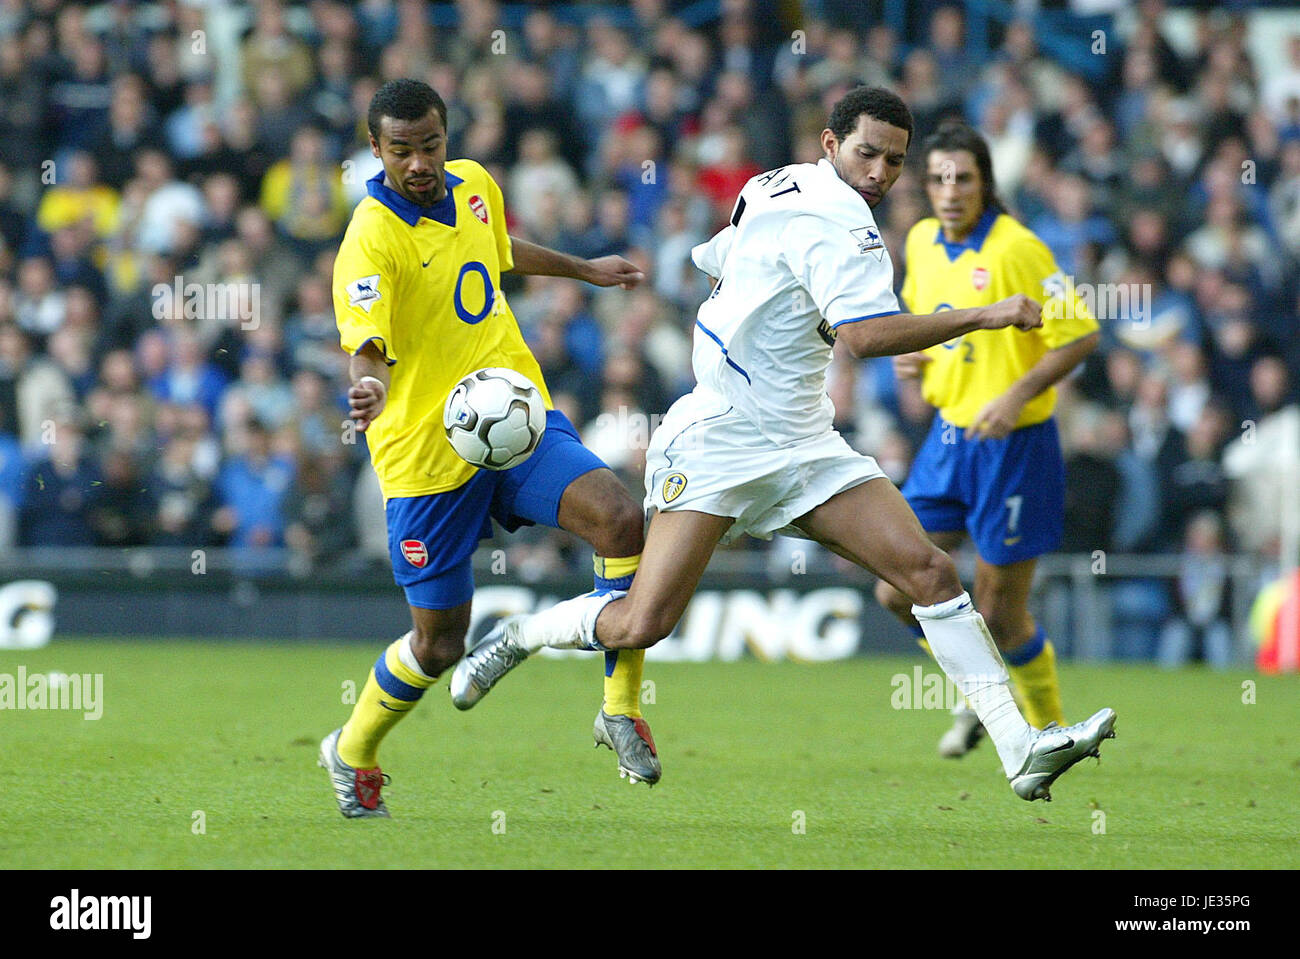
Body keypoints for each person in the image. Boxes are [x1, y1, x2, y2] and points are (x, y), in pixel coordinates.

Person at [451, 87, 1116, 803]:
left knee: (928, 571)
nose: (880, 173)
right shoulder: (845, 223)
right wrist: (981, 315)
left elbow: (716, 258)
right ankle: (521, 631)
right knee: (644, 621)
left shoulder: (772, 181)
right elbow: (862, 338)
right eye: (867, 153)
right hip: (720, 440)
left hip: (803, 441)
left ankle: (1021, 749)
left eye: (894, 160)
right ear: (831, 145)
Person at [320, 79, 658, 820]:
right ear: (375, 150)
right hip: (425, 459)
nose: (419, 162)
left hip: (513, 423)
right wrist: (369, 386)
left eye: (431, 144)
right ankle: (351, 748)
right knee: (440, 646)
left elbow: (499, 252)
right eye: (401, 150)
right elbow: (368, 347)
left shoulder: (473, 183)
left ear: (448, 137)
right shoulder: (370, 240)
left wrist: (586, 269)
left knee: (621, 519)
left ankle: (618, 707)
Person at [873, 122, 1101, 758]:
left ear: (984, 184)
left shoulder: (1016, 249)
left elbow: (1081, 333)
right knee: (894, 588)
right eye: (939, 178)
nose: (950, 191)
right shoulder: (919, 241)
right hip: (946, 443)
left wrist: (1014, 396)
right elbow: (924, 318)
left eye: (963, 178)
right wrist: (914, 362)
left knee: (1002, 615)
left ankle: (1051, 729)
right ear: (925, 185)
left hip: (1016, 447)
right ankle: (984, 696)